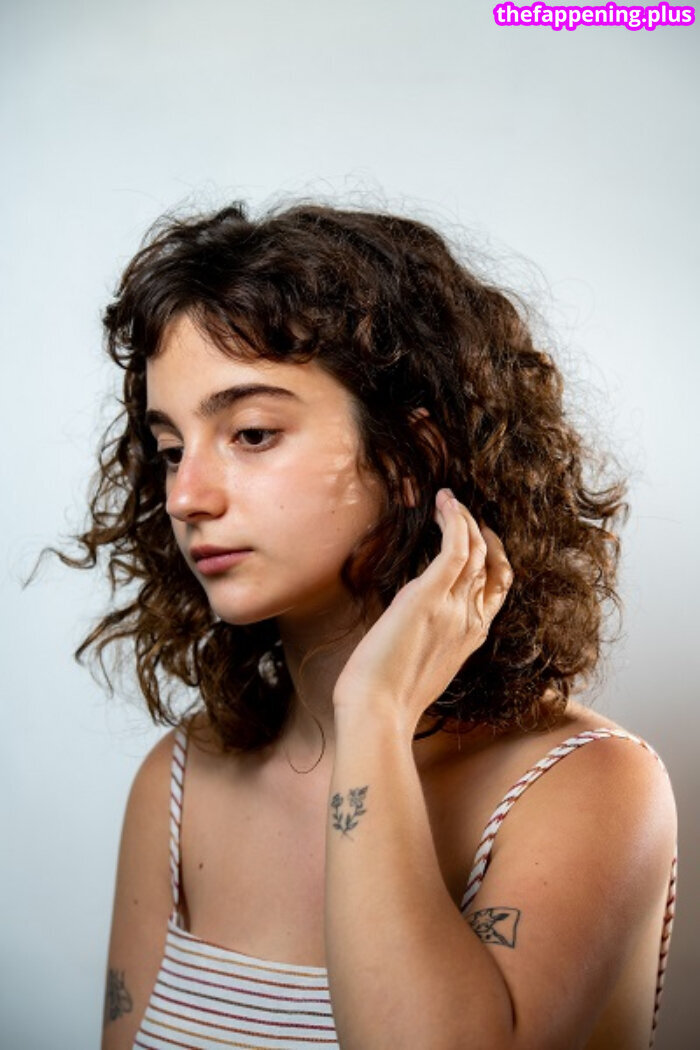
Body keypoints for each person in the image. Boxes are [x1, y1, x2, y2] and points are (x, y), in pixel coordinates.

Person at [45, 200, 676, 1049]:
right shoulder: (180, 783)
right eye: (170, 449)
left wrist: (374, 713)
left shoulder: (588, 787)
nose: (187, 496)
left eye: (252, 433)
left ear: (409, 456)